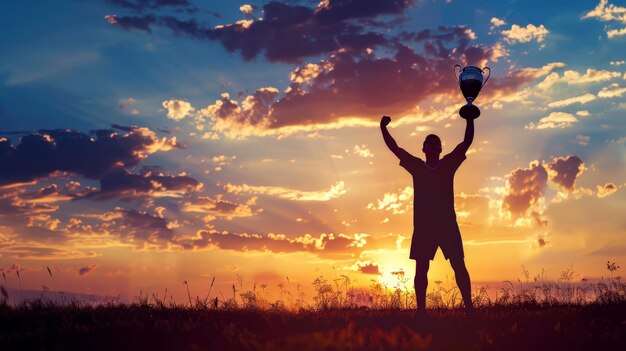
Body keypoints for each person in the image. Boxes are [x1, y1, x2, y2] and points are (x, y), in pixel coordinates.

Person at [380, 115, 474, 315]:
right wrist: (383, 128)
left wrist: (470, 119)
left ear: (440, 149)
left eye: (435, 144)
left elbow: (466, 143)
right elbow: (395, 148)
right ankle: (421, 311)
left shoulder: (448, 164)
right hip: (424, 227)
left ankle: (469, 309)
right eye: (428, 144)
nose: (432, 147)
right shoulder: (417, 166)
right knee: (421, 268)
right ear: (423, 149)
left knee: (458, 264)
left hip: (448, 225)